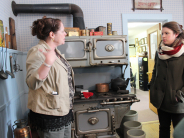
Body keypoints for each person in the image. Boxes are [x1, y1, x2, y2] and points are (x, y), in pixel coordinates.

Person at [26, 16, 75, 138]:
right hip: (49, 113)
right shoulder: (37, 51)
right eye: (63, 31)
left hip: (63, 110)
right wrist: (47, 63)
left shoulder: (56, 52)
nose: (65, 33)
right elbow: (32, 82)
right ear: (52, 34)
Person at [150, 21, 184, 138]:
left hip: (177, 100)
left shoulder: (183, 53)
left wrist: (180, 95)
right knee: (163, 128)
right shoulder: (159, 51)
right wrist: (152, 86)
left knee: (179, 133)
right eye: (162, 33)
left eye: (167, 33)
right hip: (160, 99)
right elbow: (155, 71)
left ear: (176, 34)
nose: (163, 36)